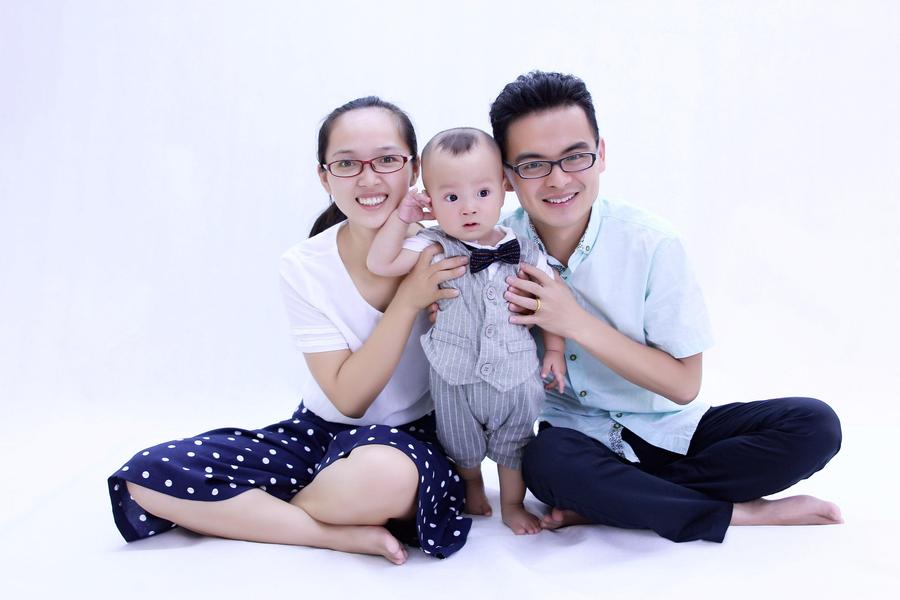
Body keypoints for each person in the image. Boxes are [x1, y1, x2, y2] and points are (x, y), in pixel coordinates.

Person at [108, 96, 473, 564]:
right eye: (347, 164)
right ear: (324, 177)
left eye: (386, 160)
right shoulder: (304, 265)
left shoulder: (446, 247)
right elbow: (349, 399)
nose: (368, 179)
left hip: (409, 439)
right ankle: (328, 531)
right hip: (316, 433)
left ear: (414, 168)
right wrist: (408, 301)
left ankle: (268, 510)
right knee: (144, 477)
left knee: (383, 476)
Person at [486, 70, 843, 543]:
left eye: (575, 157)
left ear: (601, 155)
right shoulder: (495, 249)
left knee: (815, 425)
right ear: (508, 177)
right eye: (534, 165)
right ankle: (736, 513)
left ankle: (617, 502)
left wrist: (574, 322)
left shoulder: (652, 243)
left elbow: (683, 385)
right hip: (575, 438)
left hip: (670, 429)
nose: (559, 179)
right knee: (547, 464)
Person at [367, 127, 566, 534]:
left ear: (505, 186)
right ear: (430, 199)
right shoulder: (433, 245)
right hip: (454, 373)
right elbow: (381, 264)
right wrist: (402, 217)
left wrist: (555, 351)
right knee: (459, 440)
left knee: (516, 442)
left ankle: (512, 504)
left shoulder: (525, 248)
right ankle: (472, 486)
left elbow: (553, 301)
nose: (469, 208)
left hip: (515, 375)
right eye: (452, 198)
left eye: (483, 192)